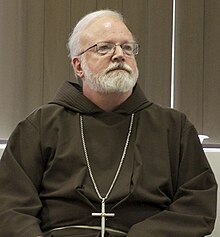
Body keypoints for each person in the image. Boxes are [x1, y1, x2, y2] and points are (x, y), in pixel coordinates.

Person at [0, 9, 217, 237]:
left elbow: (198, 204)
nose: (119, 55)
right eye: (104, 48)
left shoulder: (173, 128)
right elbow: (10, 205)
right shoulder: (41, 125)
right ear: (78, 66)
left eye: (127, 47)